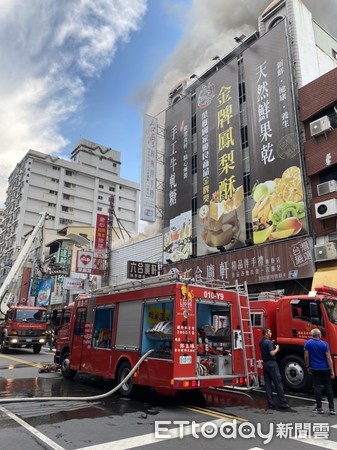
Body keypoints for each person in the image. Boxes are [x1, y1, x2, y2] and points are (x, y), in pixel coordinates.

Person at [304, 328, 335, 415]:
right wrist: (332, 370)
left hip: (315, 368)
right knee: (328, 387)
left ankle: (319, 408)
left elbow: (306, 356)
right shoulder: (325, 344)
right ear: (320, 335)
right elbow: (328, 357)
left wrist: (307, 366)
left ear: (312, 335)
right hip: (325, 368)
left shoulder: (308, 343)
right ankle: (332, 408)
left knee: (317, 387)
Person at [259, 328, 289, 409]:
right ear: (266, 333)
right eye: (270, 332)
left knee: (268, 384)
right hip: (272, 364)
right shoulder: (268, 342)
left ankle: (270, 403)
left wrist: (271, 343)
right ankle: (283, 402)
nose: (271, 333)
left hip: (265, 364)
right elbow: (272, 353)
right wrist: (276, 348)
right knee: (278, 383)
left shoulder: (261, 341)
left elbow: (265, 346)